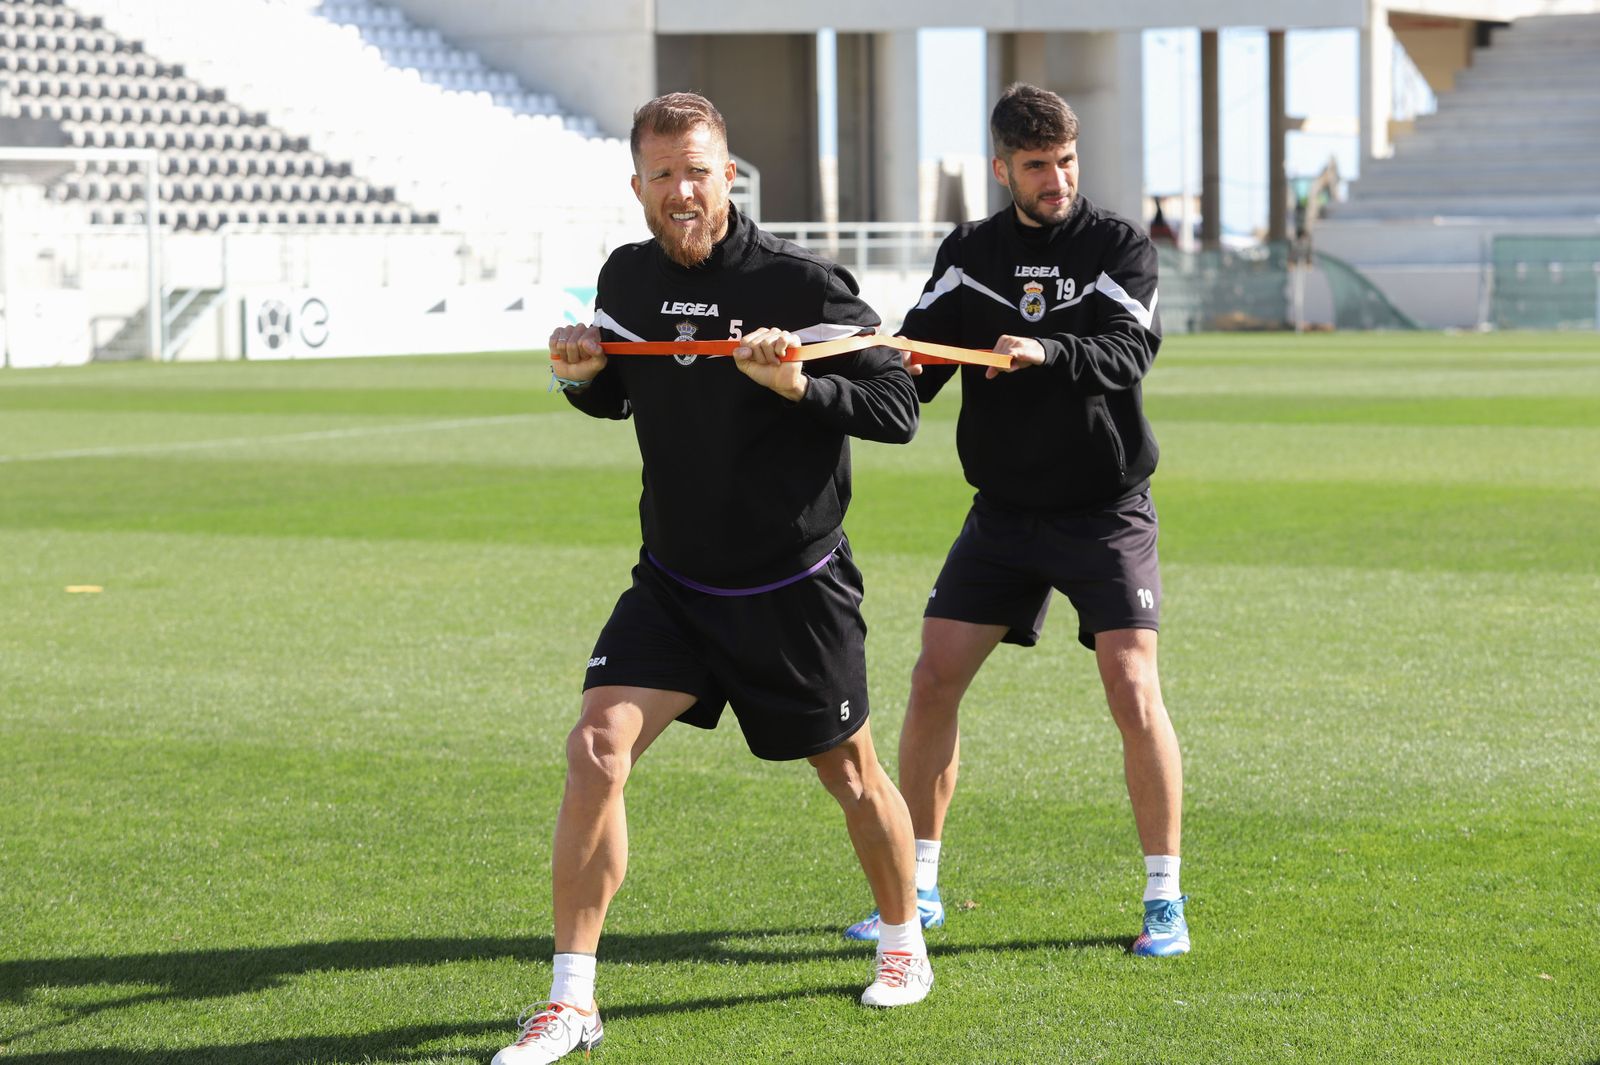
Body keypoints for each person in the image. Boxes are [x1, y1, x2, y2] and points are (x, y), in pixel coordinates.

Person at [491, 92, 932, 1065]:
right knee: (595, 750)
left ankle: (903, 940)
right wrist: (580, 375)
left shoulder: (801, 283)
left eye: (698, 171)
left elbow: (896, 405)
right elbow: (618, 394)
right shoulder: (628, 277)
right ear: (638, 184)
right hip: (676, 585)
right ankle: (572, 1001)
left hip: (794, 589)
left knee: (853, 777)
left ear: (726, 172)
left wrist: (797, 384)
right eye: (662, 176)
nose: (681, 191)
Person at [841, 83, 1190, 958]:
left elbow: (1129, 347)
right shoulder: (970, 251)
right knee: (931, 678)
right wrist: (843, 363)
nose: (1057, 179)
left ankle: (1163, 898)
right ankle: (918, 887)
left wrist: (1046, 349)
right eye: (1038, 165)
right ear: (1002, 169)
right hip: (1003, 514)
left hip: (1105, 510)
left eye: (1067, 161)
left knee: (1132, 687)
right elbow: (917, 364)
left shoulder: (1117, 244)